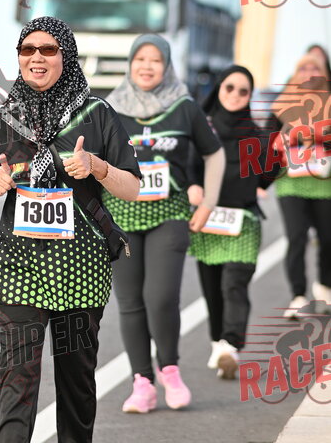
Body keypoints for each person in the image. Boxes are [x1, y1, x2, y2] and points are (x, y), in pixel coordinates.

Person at [0, 16, 141, 443]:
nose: (37, 58)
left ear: (67, 56)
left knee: (76, 382)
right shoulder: (3, 119)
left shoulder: (97, 114)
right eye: (27, 50)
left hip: (81, 268)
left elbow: (133, 188)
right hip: (19, 267)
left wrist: (97, 167)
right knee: (16, 380)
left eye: (48, 49)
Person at [104, 34, 225, 413]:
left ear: (167, 65)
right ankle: (142, 383)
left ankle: (170, 370)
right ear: (130, 63)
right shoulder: (108, 109)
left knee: (160, 297)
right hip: (120, 215)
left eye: (156, 60)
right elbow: (88, 160)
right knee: (130, 302)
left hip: (169, 213)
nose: (147, 66)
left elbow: (215, 153)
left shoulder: (184, 107)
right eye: (140, 58)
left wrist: (209, 201)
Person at [188, 66, 280, 379]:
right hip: (207, 220)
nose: (235, 95)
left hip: (243, 221)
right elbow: (188, 165)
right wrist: (193, 186)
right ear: (219, 89)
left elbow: (266, 178)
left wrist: (275, 154)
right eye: (230, 87)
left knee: (234, 284)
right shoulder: (201, 129)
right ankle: (219, 343)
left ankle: (231, 344)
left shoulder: (257, 136)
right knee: (213, 289)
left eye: (244, 91)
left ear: (250, 97)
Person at [269, 53, 331, 317]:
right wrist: (279, 144)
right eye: (303, 68)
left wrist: (319, 139)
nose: (308, 73)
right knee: (296, 237)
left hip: (324, 183)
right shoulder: (282, 103)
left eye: (314, 68)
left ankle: (325, 286)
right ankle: (298, 295)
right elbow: (268, 144)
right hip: (291, 183)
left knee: (327, 238)